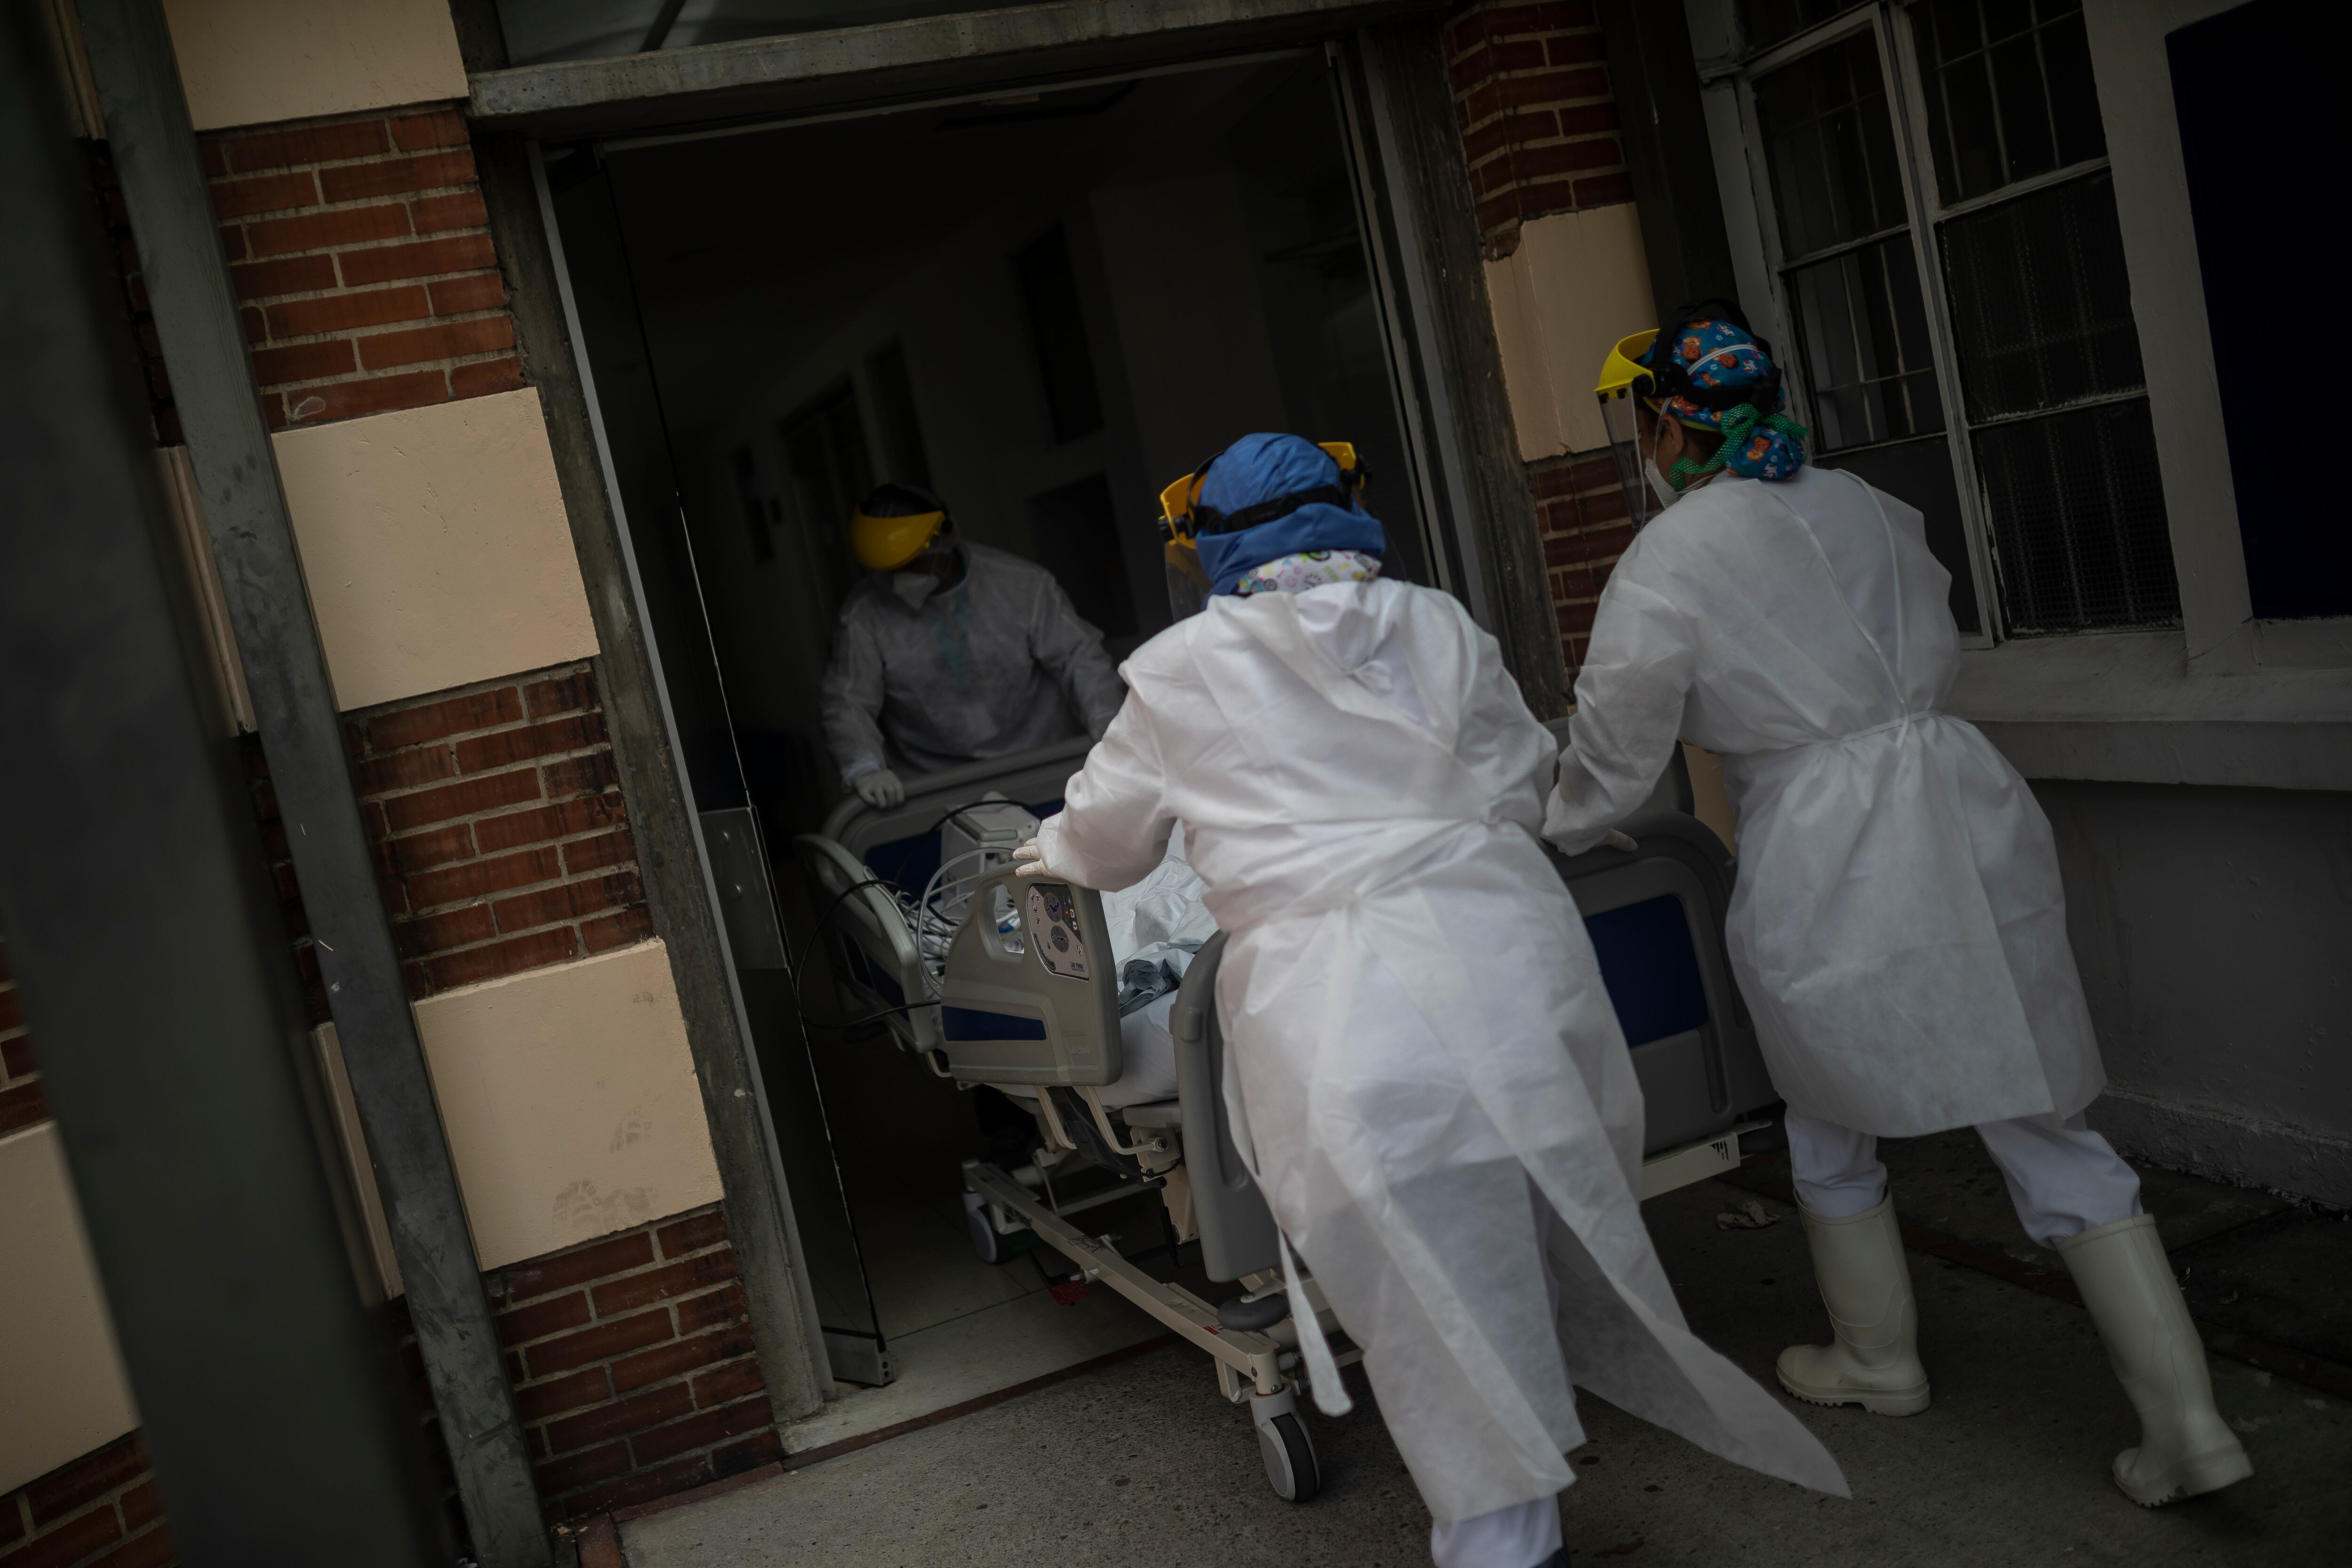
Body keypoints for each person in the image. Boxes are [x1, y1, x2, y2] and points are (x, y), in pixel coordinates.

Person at [1013, 433, 1845, 1568]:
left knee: (1423, 1308)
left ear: (1208, 545)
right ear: (1348, 511)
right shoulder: (1439, 624)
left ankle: (1503, 1538)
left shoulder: (1177, 672)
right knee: (1504, 1252)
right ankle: (1518, 1516)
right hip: (1497, 974)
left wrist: (1045, 850)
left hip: (1340, 1019)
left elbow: (1106, 848)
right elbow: (1516, 786)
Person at [1546, 306, 2253, 1508]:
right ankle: (2189, 1427)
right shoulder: (1877, 507)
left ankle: (1878, 1360)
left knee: (1825, 1090)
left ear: (1668, 422)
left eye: (1640, 423)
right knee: (2034, 1102)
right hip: (1959, 804)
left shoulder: (1667, 559)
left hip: (1824, 837)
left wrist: (1526, 826)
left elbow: (1611, 763)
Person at [819, 482, 1126, 808]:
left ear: (944, 540)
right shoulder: (864, 614)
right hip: (938, 787)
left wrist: (1106, 714)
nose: (900, 579)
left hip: (1042, 767)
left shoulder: (1020, 584)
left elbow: (1079, 656)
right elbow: (848, 700)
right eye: (890, 570)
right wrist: (864, 766)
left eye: (911, 564)